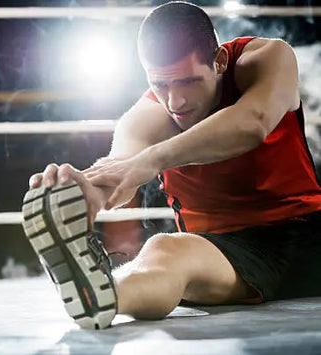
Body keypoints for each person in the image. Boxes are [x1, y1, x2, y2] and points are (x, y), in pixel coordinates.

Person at [21, 1, 321, 330]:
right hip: (223, 253)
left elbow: (252, 123)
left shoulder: (268, 59)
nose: (175, 101)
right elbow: (122, 165)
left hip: (308, 234)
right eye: (160, 85)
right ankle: (102, 293)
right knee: (164, 249)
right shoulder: (148, 115)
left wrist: (153, 159)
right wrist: (86, 192)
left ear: (219, 61)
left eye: (189, 82)